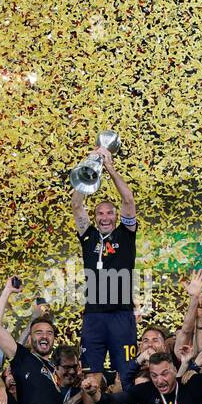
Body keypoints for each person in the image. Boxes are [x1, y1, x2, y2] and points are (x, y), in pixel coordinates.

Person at [71, 141, 139, 385]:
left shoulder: (125, 234)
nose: (105, 217)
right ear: (96, 217)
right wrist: (89, 166)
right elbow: (76, 204)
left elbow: (129, 200)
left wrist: (109, 168)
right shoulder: (88, 236)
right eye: (100, 213)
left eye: (110, 213)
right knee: (91, 378)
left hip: (121, 315)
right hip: (94, 316)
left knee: (128, 376)